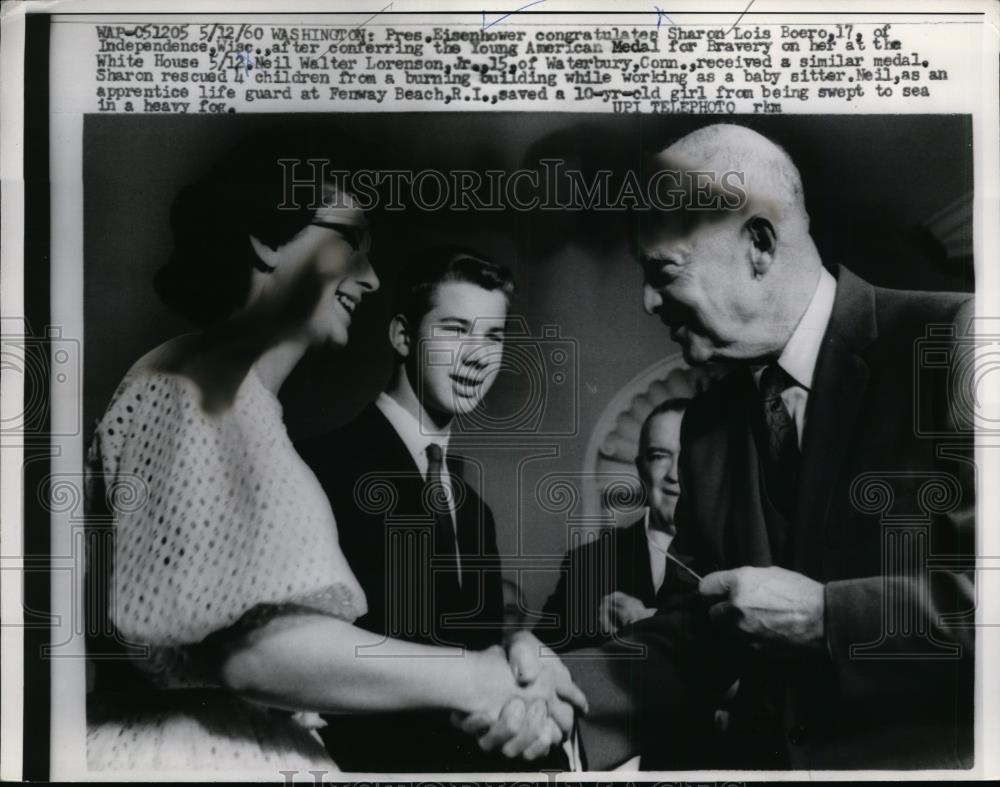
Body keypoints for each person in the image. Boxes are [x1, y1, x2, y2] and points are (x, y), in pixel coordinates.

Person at [84, 135, 584, 771]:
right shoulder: (198, 388)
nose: (371, 277)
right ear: (267, 240)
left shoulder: (230, 399)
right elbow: (255, 655)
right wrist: (477, 679)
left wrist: (511, 651)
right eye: (351, 242)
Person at [491, 123, 975, 770]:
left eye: (663, 270)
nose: (646, 300)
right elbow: (697, 632)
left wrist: (829, 616)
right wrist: (557, 685)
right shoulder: (708, 421)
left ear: (759, 244)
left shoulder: (956, 341)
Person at [298, 248, 573, 771]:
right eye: (455, 330)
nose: (477, 356)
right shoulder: (319, 468)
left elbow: (478, 658)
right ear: (403, 336)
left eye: (493, 337)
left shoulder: (475, 512)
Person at [537, 398, 690, 651]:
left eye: (688, 456)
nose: (674, 474)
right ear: (642, 470)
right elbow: (543, 660)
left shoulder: (744, 558)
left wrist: (649, 624)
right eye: (660, 456)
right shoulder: (587, 565)